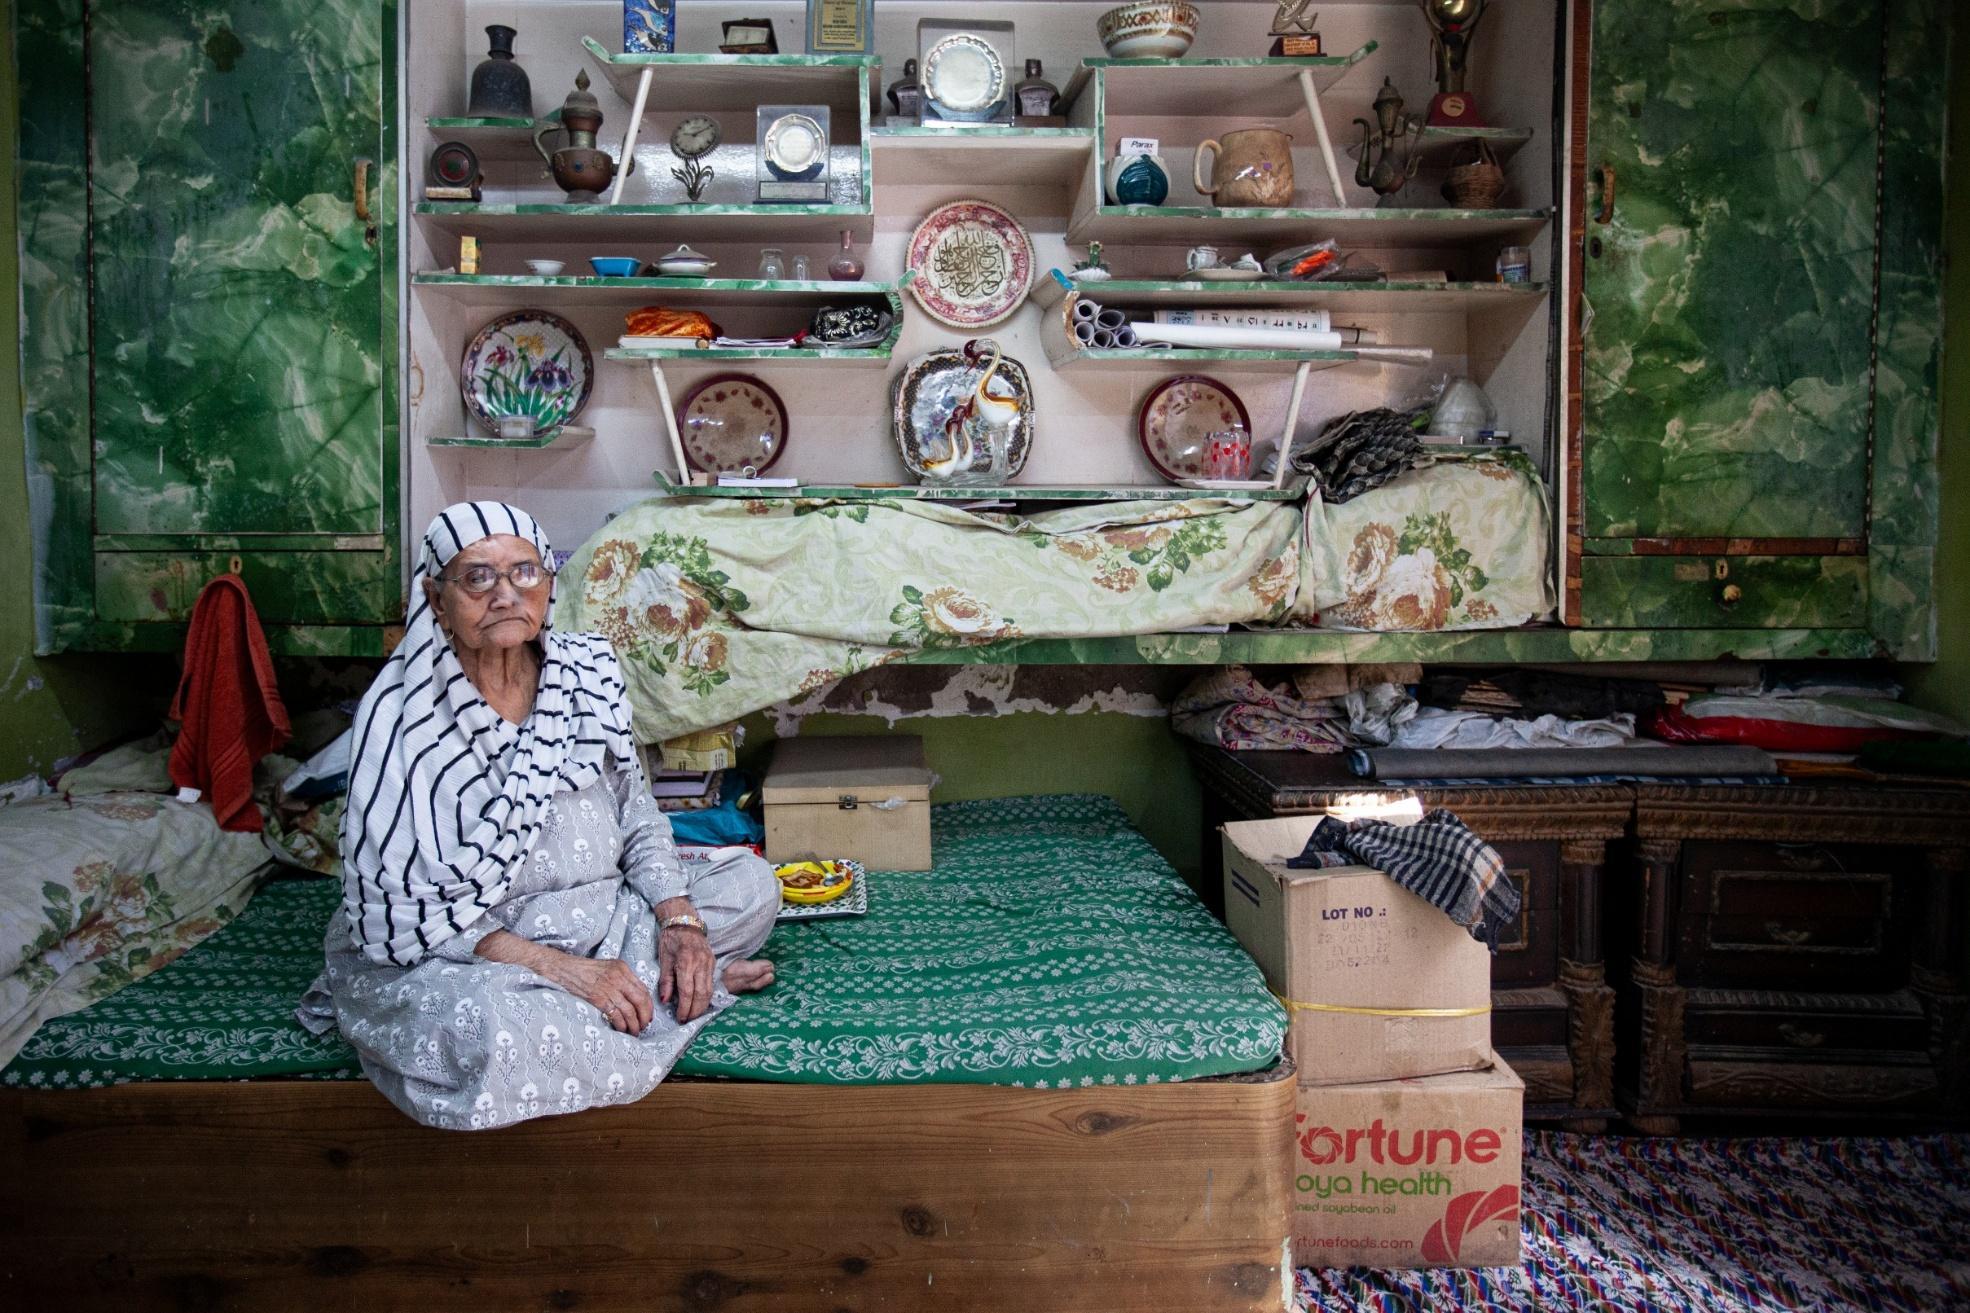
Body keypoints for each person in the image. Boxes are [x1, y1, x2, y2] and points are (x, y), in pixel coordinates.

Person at [298, 501, 777, 1130]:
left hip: (603, 916)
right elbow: (401, 910)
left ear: (548, 583)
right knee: (487, 1027)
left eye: (524, 572)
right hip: (474, 951)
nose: (505, 594)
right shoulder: (400, 718)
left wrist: (680, 924)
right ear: (436, 598)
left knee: (750, 883)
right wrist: (561, 969)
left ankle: (650, 980)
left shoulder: (587, 671)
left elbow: (637, 816)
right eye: (477, 577)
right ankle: (672, 993)